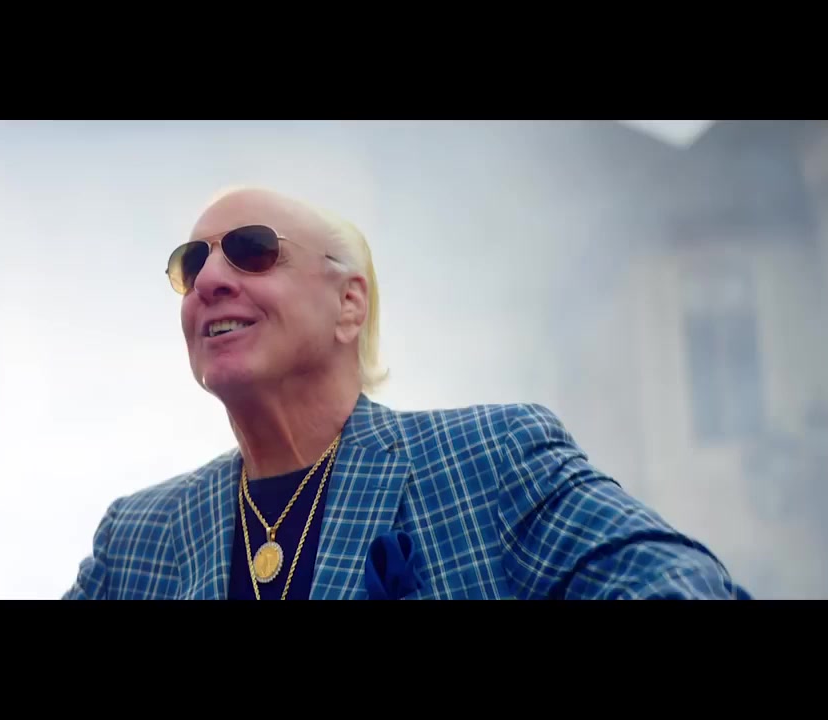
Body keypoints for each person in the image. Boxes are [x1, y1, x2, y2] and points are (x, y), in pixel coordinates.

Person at [63, 186, 751, 600]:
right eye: (192, 263)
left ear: (348, 304)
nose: (211, 278)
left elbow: (675, 582)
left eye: (253, 250)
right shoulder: (136, 538)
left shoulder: (491, 460)